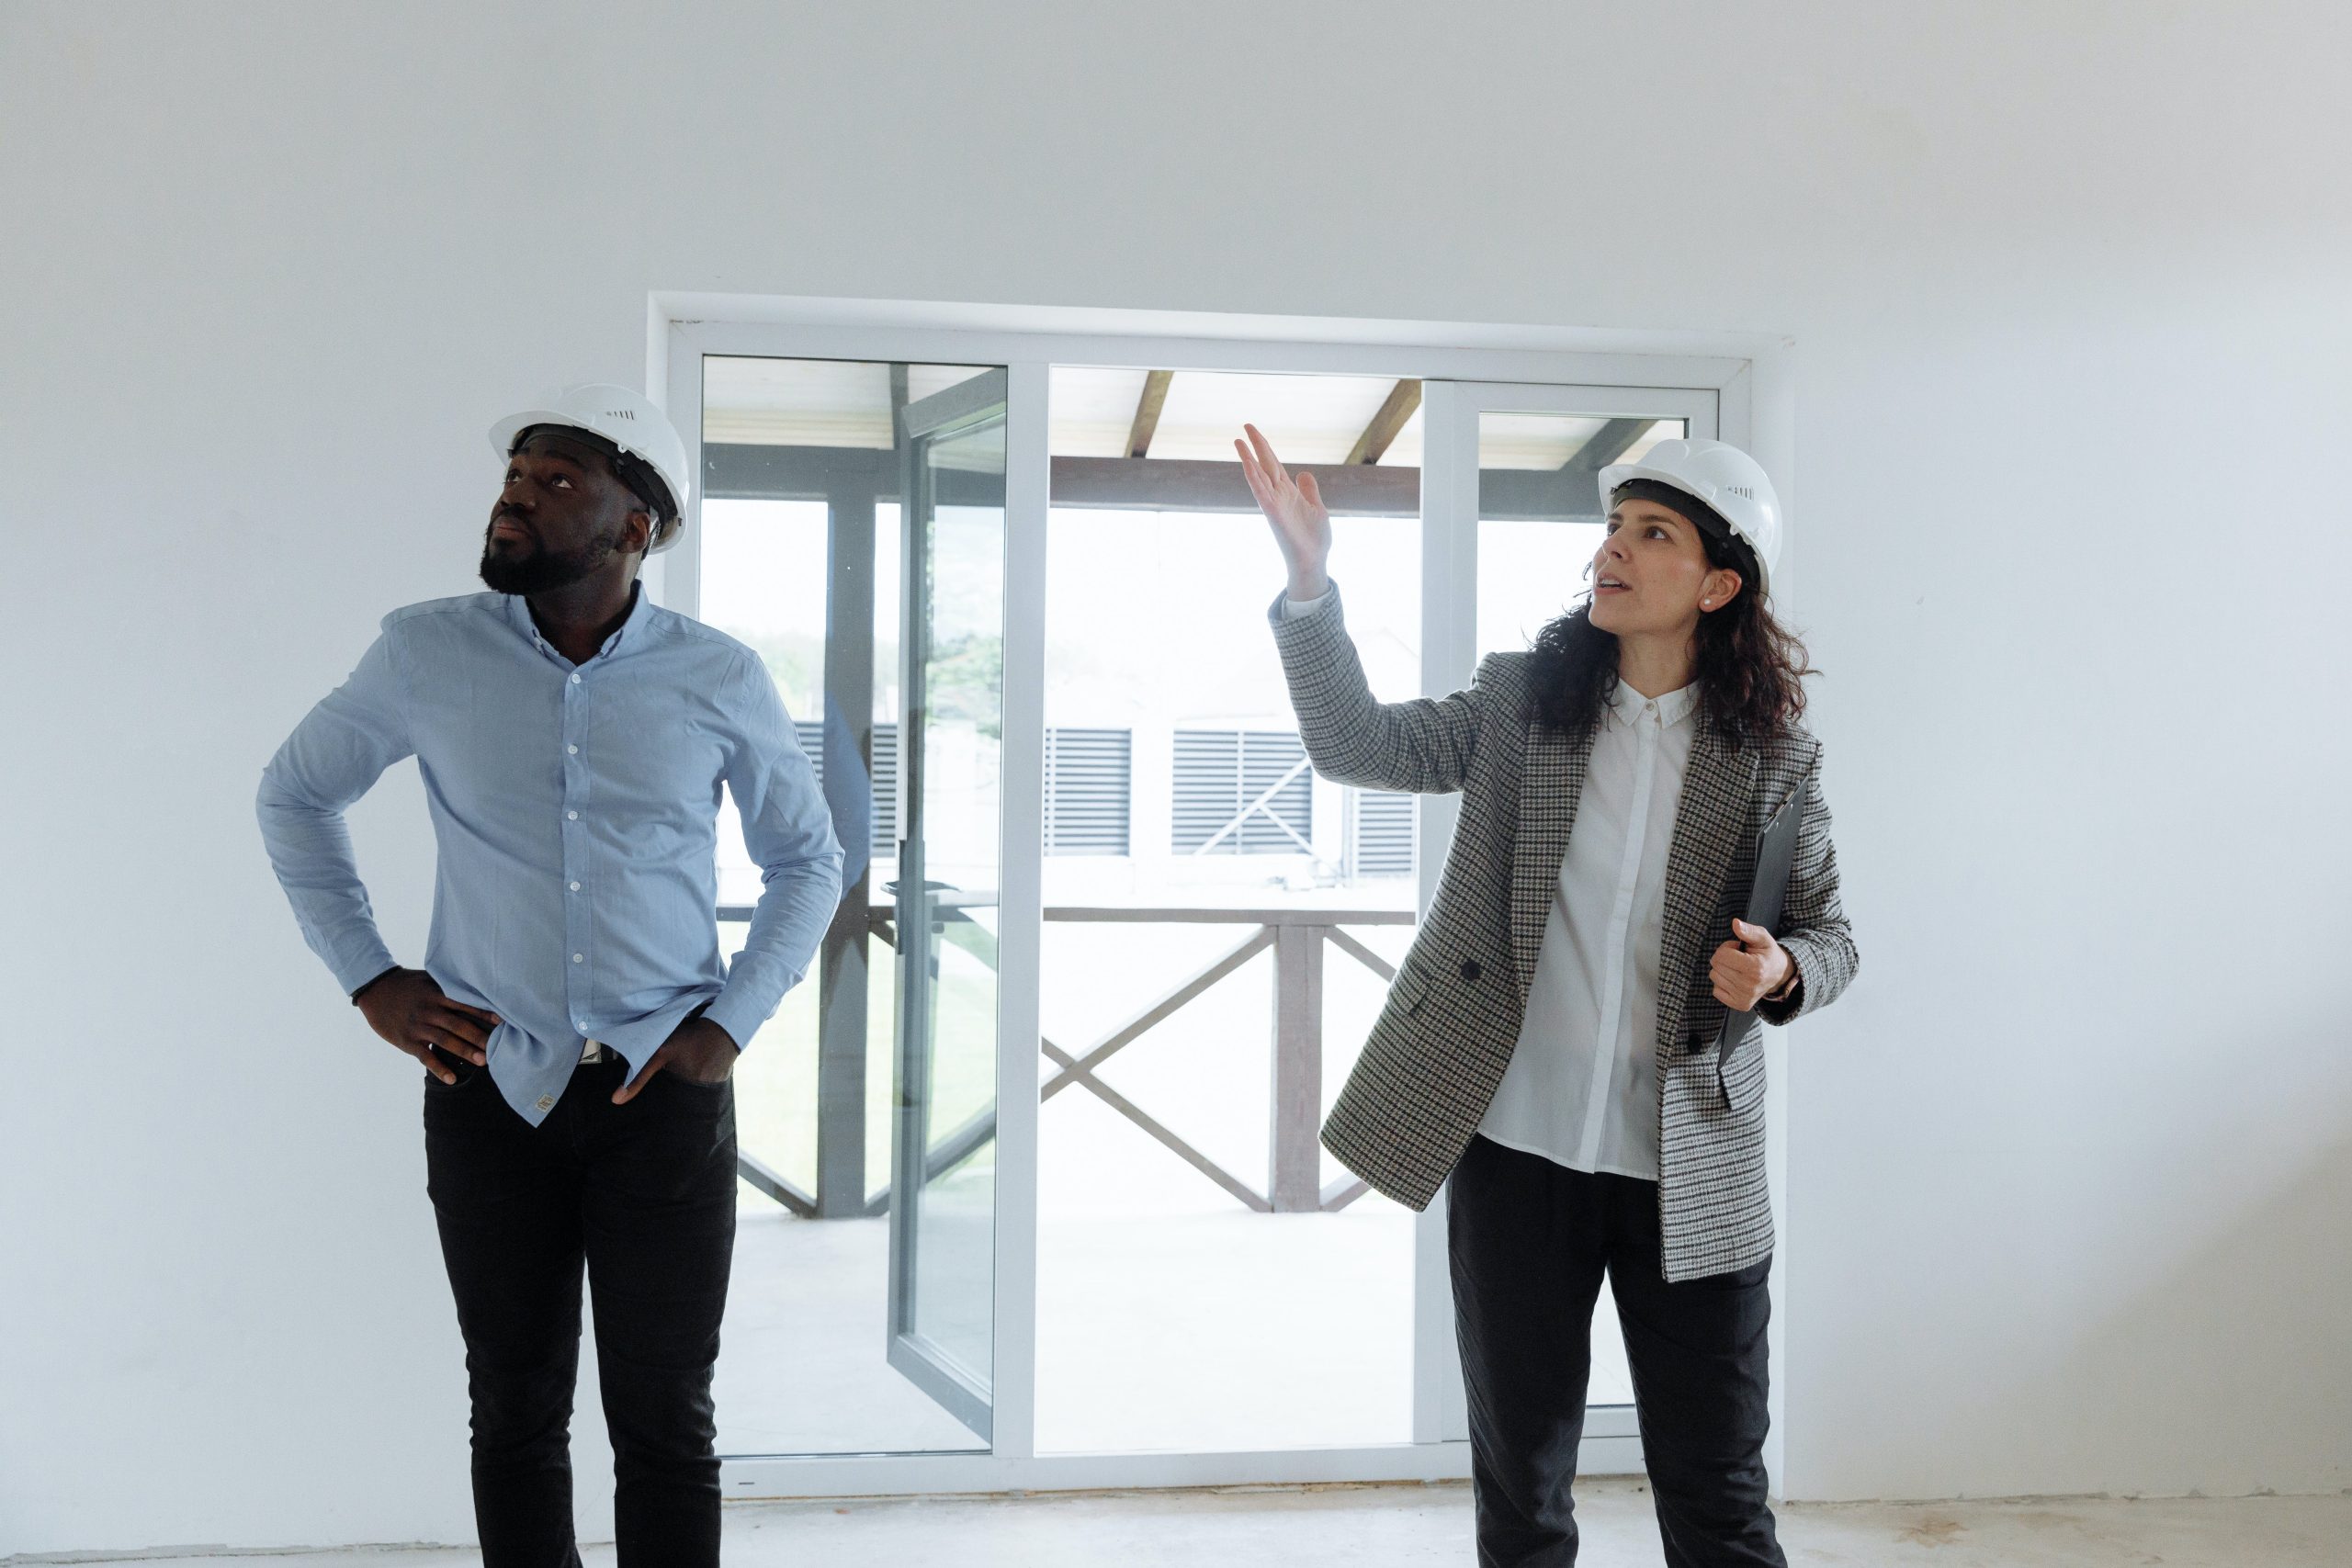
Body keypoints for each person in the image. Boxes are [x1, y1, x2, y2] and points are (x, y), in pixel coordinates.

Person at [1238, 423, 1857, 1567]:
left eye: (1653, 533)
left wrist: (1779, 972)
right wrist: (1310, 584)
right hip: (1514, 1154)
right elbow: (1354, 742)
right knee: (1521, 1493)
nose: (1612, 551)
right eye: (1613, 528)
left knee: (1718, 1492)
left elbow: (1832, 938)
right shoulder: (1522, 705)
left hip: (1691, 1168)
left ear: (1719, 584)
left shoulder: (1774, 755)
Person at [256, 384, 843, 1565]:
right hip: (488, 1094)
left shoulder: (719, 676)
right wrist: (371, 978)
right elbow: (294, 792)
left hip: (661, 1101)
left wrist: (726, 1028)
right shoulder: (424, 650)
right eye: (516, 477)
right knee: (515, 1412)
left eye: (558, 480)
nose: (517, 496)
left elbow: (809, 860)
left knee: (666, 1422)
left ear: (639, 527)